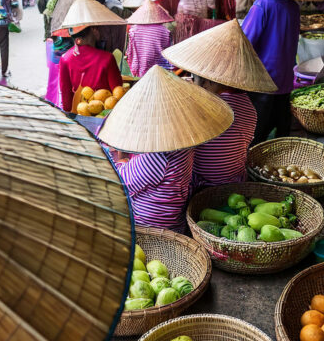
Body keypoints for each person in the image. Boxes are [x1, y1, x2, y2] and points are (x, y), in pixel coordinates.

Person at [96, 66, 233, 233]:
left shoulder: (159, 158)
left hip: (148, 226)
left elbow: (123, 182)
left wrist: (121, 160)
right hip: (174, 220)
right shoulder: (185, 145)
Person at [161, 19, 277, 191]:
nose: (194, 81)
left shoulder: (205, 106)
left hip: (203, 185)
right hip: (235, 180)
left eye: (196, 78)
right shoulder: (248, 106)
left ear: (210, 81)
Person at [226, 0, 324, 145]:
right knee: (281, 129)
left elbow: (246, 42)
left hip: (263, 79)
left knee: (256, 133)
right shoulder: (293, 7)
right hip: (285, 78)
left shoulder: (262, 5)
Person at [57, 0, 125, 112]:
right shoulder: (107, 58)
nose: (98, 31)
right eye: (95, 28)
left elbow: (67, 102)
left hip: (78, 115)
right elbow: (118, 95)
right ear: (93, 30)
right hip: (105, 116)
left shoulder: (65, 59)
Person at [125, 0, 173, 77]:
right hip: (161, 71)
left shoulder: (133, 30)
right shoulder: (165, 31)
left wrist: (132, 66)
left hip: (140, 70)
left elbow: (130, 53)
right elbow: (168, 52)